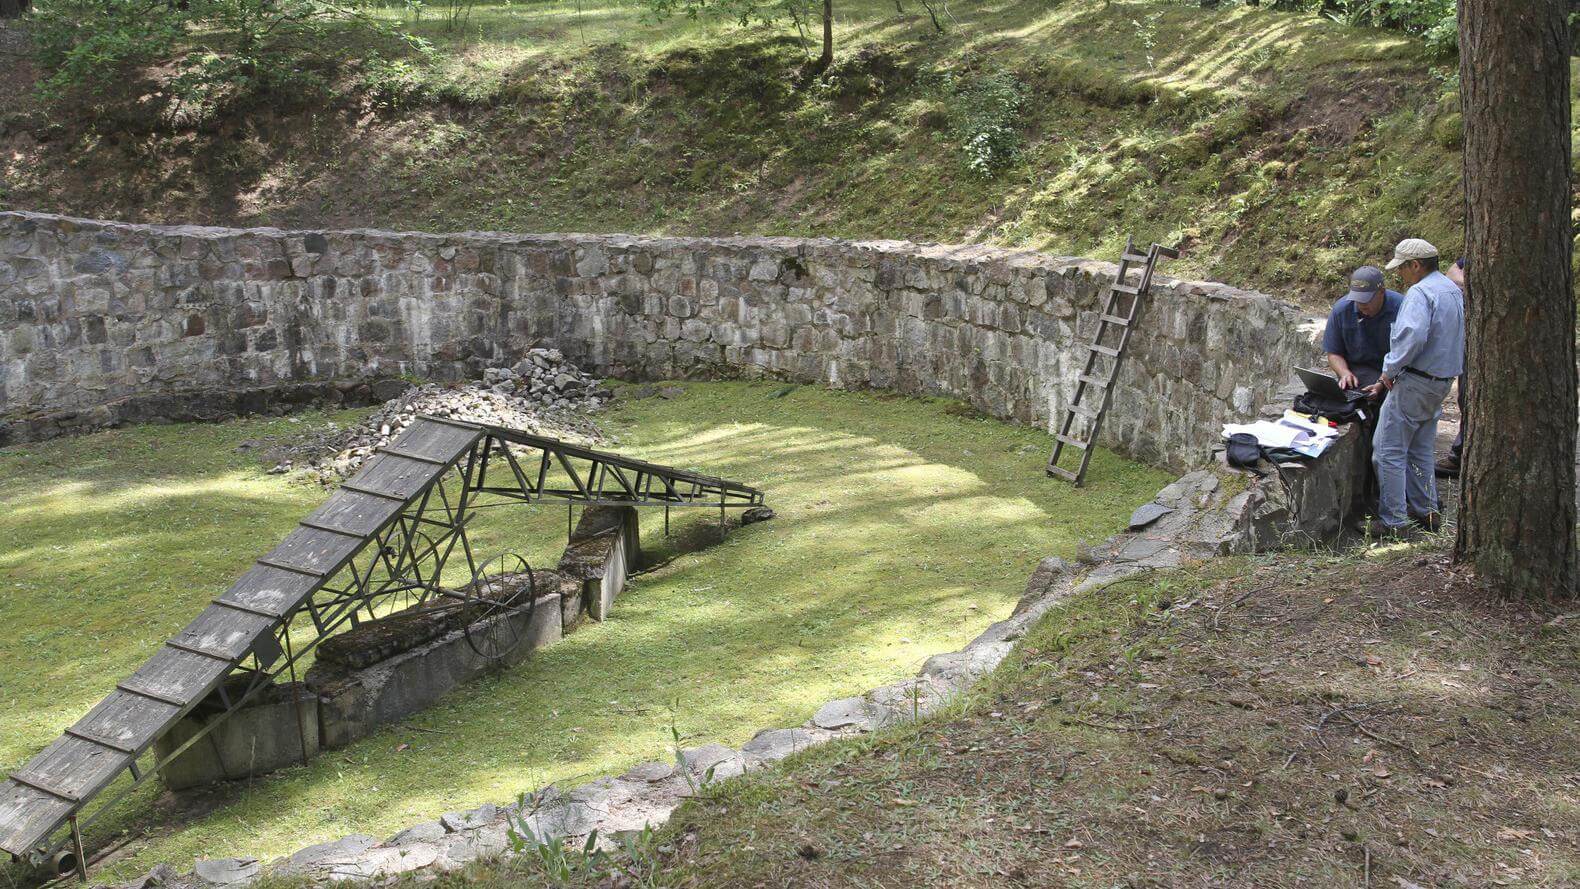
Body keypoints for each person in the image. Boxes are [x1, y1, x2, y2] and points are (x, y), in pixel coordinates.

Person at [1363, 239, 1465, 536]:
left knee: (1387, 450)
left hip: (1416, 381)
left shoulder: (1420, 293)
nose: (1400, 275)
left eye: (1402, 268)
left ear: (1415, 265)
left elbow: (1412, 337)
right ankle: (1426, 509)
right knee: (1420, 448)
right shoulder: (1450, 289)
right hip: (1441, 381)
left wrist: (1388, 373)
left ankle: (1394, 520)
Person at [1322, 265, 1404, 390]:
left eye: (1366, 299)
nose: (1361, 305)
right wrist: (1344, 373)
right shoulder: (1341, 310)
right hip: (1357, 372)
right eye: (1357, 299)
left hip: (1395, 371)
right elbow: (1334, 352)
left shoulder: (1403, 308)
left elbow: (1409, 351)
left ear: (1381, 291)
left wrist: (1383, 381)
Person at [1435, 256, 1470, 478]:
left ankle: (1461, 454)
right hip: (1471, 334)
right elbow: (1452, 272)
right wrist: (1474, 284)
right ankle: (1461, 455)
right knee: (1466, 396)